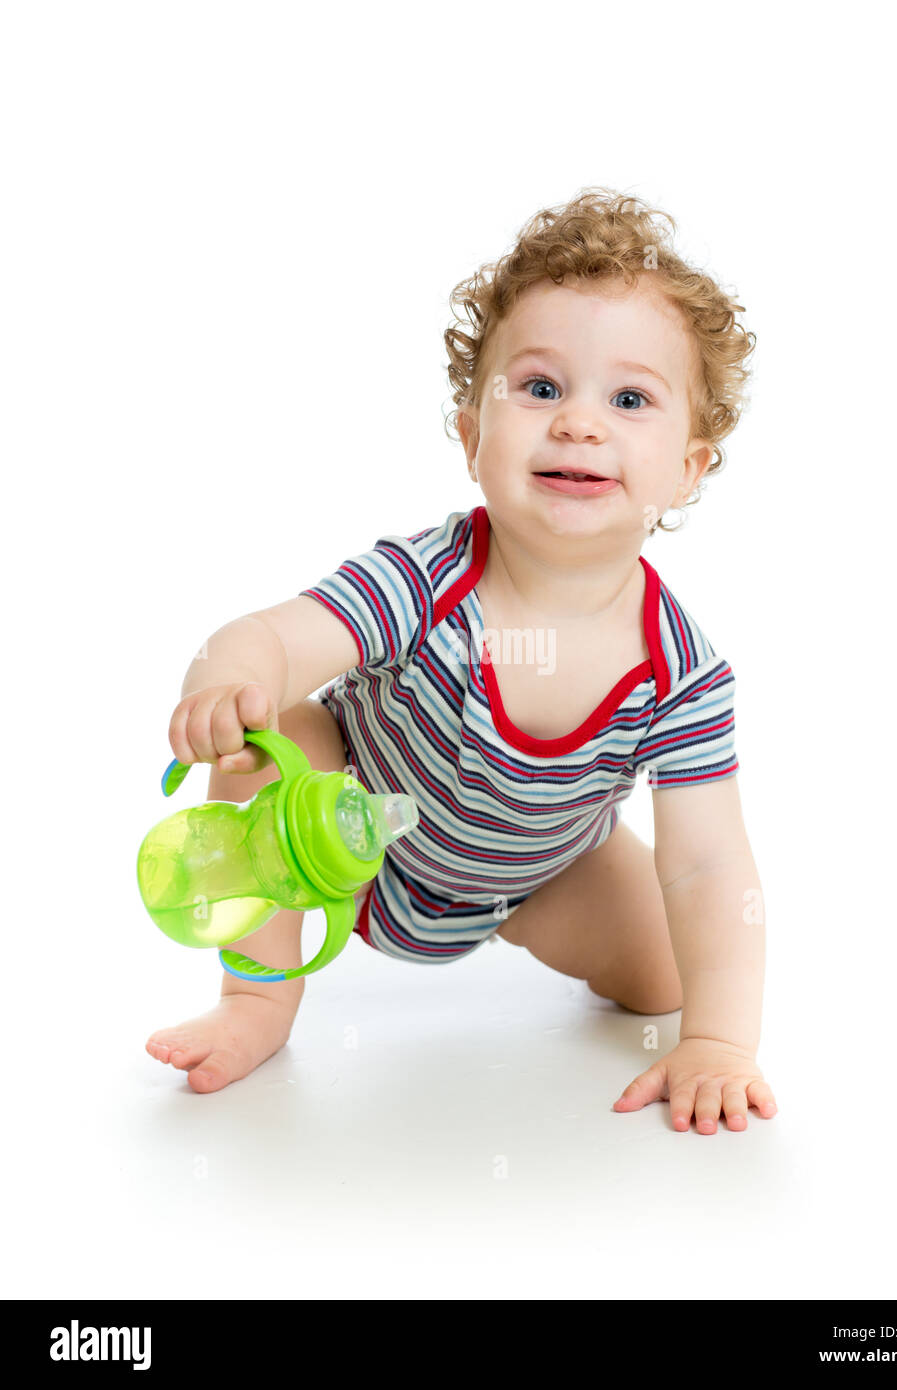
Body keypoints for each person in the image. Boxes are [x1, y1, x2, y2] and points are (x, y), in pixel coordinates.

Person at [147, 186, 778, 1135]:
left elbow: (710, 864)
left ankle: (641, 986)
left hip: (540, 877)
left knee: (665, 983)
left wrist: (722, 1042)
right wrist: (223, 682)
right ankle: (257, 1001)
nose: (579, 423)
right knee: (270, 732)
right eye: (540, 387)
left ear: (689, 466)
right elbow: (274, 640)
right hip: (349, 835)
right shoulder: (426, 579)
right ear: (475, 435)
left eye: (630, 398)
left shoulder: (681, 673)